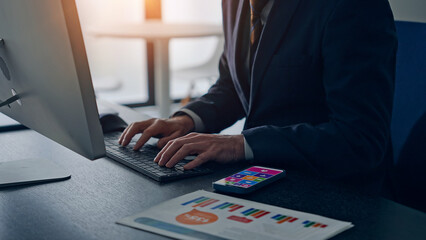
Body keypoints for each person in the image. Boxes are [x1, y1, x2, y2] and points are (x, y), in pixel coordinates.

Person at [119, 0, 397, 190]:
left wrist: (239, 144)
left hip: (338, 192)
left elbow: (360, 140)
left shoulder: (353, 6)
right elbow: (233, 86)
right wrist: (186, 120)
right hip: (262, 178)